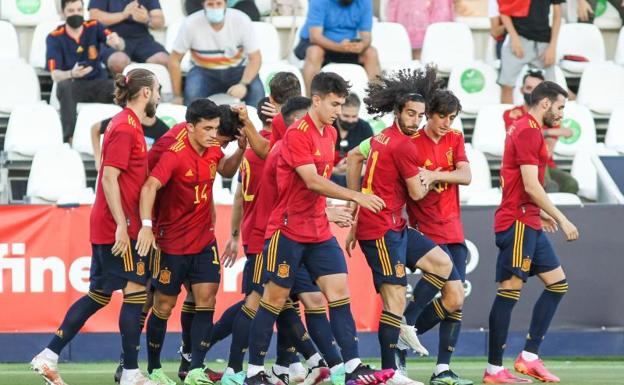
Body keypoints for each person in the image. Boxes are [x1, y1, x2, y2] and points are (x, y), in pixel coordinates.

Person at [242, 72, 393, 385]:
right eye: (334, 104)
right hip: (288, 230)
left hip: (317, 230)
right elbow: (310, 180)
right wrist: (355, 196)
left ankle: (351, 367)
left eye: (341, 104)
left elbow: (315, 185)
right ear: (317, 99)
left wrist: (328, 210)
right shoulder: (298, 134)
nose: (338, 110)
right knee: (273, 299)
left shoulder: (330, 132)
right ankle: (253, 372)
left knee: (339, 293)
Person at [31, 68, 161, 385]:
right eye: (157, 90)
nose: (158, 96)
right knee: (135, 293)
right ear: (145, 93)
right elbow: (109, 178)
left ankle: (48, 356)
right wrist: (121, 224)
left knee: (100, 295)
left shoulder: (125, 125)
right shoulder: (126, 128)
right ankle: (130, 372)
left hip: (112, 222)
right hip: (119, 225)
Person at [345, 68, 455, 385]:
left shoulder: (380, 136)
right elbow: (419, 192)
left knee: (442, 264)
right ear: (398, 112)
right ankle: (390, 372)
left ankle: (405, 326)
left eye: (420, 115)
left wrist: (355, 204)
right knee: (393, 299)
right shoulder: (404, 145)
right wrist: (429, 175)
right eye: (411, 114)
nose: (416, 121)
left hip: (394, 225)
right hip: (380, 230)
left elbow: (353, 156)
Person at [137, 98, 247, 385]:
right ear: (190, 128)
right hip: (171, 242)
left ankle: (196, 369)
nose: (213, 135)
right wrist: (147, 226)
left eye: (215, 128)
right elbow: (149, 186)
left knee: (207, 299)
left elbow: (225, 170)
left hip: (203, 240)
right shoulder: (174, 154)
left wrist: (242, 149)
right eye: (207, 128)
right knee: (163, 306)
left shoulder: (213, 149)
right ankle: (155, 368)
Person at [482, 81, 579, 384]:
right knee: (509, 292)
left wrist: (542, 215)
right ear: (546, 104)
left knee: (557, 283)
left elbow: (529, 188)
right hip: (517, 222)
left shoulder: (528, 128)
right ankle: (494, 370)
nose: (562, 114)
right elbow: (531, 186)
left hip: (530, 220)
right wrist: (561, 218)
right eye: (560, 107)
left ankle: (529, 357)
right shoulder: (526, 130)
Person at [404, 90, 473, 385]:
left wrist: (433, 176)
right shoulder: (411, 144)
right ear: (428, 114)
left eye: (451, 117)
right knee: (453, 295)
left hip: (454, 228)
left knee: (455, 301)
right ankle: (401, 332)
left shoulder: (455, 138)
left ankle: (441, 367)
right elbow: (412, 187)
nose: (446, 122)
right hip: (426, 229)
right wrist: (432, 176)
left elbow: (466, 175)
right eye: (441, 116)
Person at [46, 0, 125, 142]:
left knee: (123, 87)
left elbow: (119, 45)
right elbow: (55, 75)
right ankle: (69, 138)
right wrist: (71, 73)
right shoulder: (54, 37)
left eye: (79, 10)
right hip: (73, 86)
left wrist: (117, 41)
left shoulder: (94, 26)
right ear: (63, 13)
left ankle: (127, 135)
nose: (76, 14)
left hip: (98, 83)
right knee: (64, 86)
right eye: (71, 11)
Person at [169, 0, 264, 107]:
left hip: (238, 70)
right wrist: (177, 95)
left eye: (219, 3)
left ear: (225, 4)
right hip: (202, 71)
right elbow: (174, 60)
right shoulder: (190, 23)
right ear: (203, 4)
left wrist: (243, 84)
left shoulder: (241, 20)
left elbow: (256, 58)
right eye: (210, 4)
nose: (215, 8)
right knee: (192, 93)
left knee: (257, 92)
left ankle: (255, 123)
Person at [503, 70, 579, 195]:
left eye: (537, 89)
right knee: (544, 181)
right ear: (522, 90)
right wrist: (550, 132)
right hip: (520, 166)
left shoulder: (551, 115)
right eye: (529, 88)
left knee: (571, 184)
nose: (532, 92)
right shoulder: (511, 114)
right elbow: (519, 137)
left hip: (546, 165)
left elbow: (548, 151)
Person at [293, 0, 380, 97]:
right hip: (316, 43)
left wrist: (362, 45)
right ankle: (310, 101)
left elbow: (367, 36)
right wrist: (340, 47)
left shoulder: (365, 2)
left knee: (371, 53)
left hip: (347, 46)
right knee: (315, 52)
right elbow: (315, 36)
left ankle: (377, 103)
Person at [498, 0, 564, 103]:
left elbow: (558, 14)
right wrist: (514, 38)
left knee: (550, 89)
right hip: (518, 38)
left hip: (544, 41)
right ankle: (507, 118)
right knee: (507, 86)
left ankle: (543, 119)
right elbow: (504, 10)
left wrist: (552, 46)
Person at [89, 0, 169, 73]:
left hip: (143, 39)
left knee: (164, 60)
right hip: (112, 38)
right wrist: (124, 15)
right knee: (118, 62)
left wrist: (147, 19)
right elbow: (94, 17)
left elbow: (160, 21)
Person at [92, 115, 170, 170]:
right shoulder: (124, 120)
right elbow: (95, 128)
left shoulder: (164, 130)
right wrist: (98, 158)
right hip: (123, 171)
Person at [386, 0, 455, 59]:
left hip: (430, 38)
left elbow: (442, 13)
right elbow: (392, 7)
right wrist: (393, 30)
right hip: (404, 35)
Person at [331, 93, 373, 187]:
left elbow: (372, 159)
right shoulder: (328, 126)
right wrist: (336, 170)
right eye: (346, 116)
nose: (350, 120)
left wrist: (358, 167)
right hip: (329, 179)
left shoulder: (364, 128)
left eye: (354, 116)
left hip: (357, 180)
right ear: (338, 111)